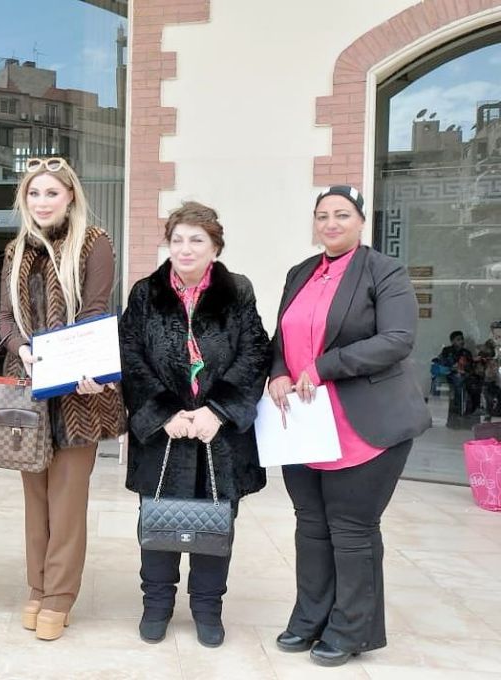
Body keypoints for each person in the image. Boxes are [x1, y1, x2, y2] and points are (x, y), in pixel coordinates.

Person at [268, 185, 431, 667]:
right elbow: (281, 336)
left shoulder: (385, 270)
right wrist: (278, 371)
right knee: (310, 526)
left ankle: (350, 629)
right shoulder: (301, 272)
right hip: (306, 425)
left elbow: (397, 339)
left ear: (361, 221)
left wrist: (323, 366)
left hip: (364, 424)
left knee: (352, 530)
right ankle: (309, 619)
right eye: (322, 215)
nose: (331, 224)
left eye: (342, 214)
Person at [118, 201, 269, 648]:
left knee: (216, 524)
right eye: (178, 239)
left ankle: (207, 608)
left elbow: (255, 352)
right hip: (164, 434)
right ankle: (156, 605)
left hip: (218, 436)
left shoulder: (237, 291)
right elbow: (130, 355)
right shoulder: (145, 293)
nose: (185, 249)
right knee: (158, 524)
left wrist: (217, 411)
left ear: (215, 247)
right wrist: (164, 412)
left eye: (196, 240)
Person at [0, 157, 126, 641]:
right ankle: (37, 586)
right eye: (34, 193)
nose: (42, 201)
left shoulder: (94, 243)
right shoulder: (15, 251)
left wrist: (77, 365)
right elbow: (5, 318)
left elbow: (94, 310)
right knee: (35, 501)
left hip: (78, 394)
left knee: (67, 502)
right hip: (29, 391)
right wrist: (21, 350)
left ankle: (59, 596)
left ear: (70, 196)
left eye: (51, 192)